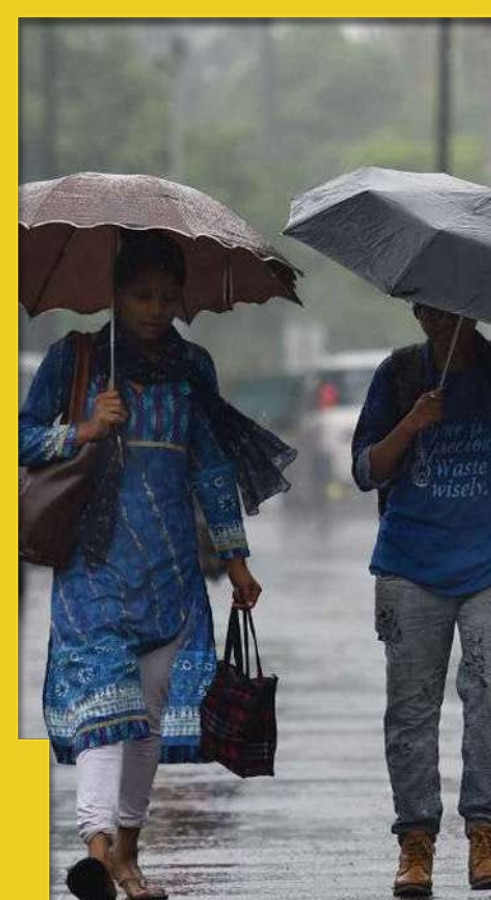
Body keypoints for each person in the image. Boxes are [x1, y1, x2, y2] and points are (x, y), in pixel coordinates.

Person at [19, 229, 293, 900]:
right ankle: (96, 846)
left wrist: (235, 559)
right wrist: (81, 429)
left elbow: (210, 464)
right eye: (140, 296)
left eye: (167, 297)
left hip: (171, 571)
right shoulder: (74, 358)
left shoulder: (192, 366)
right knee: (104, 710)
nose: (153, 309)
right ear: (115, 294)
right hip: (94, 566)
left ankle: (128, 853)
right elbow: (20, 434)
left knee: (147, 717)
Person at [350, 303, 491, 897]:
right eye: (430, 311)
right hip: (410, 567)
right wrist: (411, 424)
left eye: (454, 312)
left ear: (475, 308)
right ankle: (415, 846)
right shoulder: (397, 375)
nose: (441, 321)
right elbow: (367, 469)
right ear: (417, 311)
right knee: (411, 709)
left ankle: (485, 836)